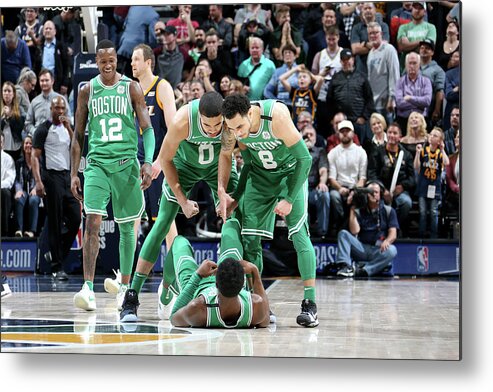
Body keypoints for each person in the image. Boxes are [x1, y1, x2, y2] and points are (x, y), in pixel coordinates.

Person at [120, 91, 238, 321]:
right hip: (183, 167)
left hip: (217, 166)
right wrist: (183, 200)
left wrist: (222, 193)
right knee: (162, 223)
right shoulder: (183, 119)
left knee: (234, 217)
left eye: (217, 125)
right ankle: (131, 296)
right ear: (199, 118)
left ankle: (240, 291)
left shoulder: (229, 121)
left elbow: (226, 154)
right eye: (207, 125)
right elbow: (164, 160)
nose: (213, 130)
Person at [218, 93, 319, 328]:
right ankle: (258, 302)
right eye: (233, 129)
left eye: (241, 126)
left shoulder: (276, 116)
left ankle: (310, 304)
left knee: (298, 233)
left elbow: (305, 159)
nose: (238, 133)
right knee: (251, 239)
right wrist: (234, 196)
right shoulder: (230, 127)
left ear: (250, 113)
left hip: (289, 174)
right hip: (260, 177)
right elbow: (245, 163)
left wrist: (290, 198)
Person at [70, 40, 155, 310]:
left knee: (127, 227)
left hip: (126, 164)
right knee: (92, 222)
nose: (107, 65)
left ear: (116, 60)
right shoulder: (87, 91)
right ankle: (88, 288)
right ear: (96, 61)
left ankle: (126, 286)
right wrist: (74, 172)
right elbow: (77, 136)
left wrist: (148, 161)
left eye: (111, 61)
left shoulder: (131, 87)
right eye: (102, 61)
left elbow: (147, 128)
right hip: (96, 165)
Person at [120, 217, 270, 328]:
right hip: (229, 282)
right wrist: (255, 271)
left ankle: (166, 293)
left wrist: (198, 275)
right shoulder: (255, 307)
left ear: (216, 282)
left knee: (179, 241)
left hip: (194, 286)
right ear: (243, 284)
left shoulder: (199, 307)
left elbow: (174, 318)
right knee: (231, 223)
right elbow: (265, 321)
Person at [32, 96, 81, 280]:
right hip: (51, 176)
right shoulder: (43, 129)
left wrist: (69, 126)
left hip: (67, 176)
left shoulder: (67, 128)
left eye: (62, 108)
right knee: (55, 220)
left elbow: (76, 145)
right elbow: (35, 157)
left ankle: (54, 253)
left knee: (76, 218)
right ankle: (56, 267)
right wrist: (38, 181)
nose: (60, 112)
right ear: (50, 109)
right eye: (57, 108)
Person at [131, 44, 177, 227]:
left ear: (148, 62)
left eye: (136, 59)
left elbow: (174, 130)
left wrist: (159, 161)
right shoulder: (131, 90)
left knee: (164, 222)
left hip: (158, 163)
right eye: (132, 59)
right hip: (136, 164)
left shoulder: (162, 87)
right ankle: (131, 258)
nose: (132, 63)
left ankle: (174, 257)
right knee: (132, 220)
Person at [335, 180, 399, 277]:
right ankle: (345, 266)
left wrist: (387, 241)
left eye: (376, 192)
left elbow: (393, 234)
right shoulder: (360, 210)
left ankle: (364, 270)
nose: (373, 194)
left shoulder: (388, 211)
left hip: (378, 249)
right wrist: (353, 208)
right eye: (370, 192)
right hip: (362, 248)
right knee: (343, 234)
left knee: (392, 250)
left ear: (380, 194)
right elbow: (355, 231)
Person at [367, 122, 415, 237]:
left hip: (400, 191)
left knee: (406, 203)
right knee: (376, 203)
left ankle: (397, 228)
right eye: (389, 132)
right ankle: (381, 232)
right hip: (381, 190)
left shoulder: (406, 154)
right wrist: (383, 190)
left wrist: (402, 186)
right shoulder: (377, 152)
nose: (392, 135)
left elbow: (412, 179)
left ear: (400, 137)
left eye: (395, 133)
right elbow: (372, 174)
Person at [326, 48, 375, 144]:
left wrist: (364, 117)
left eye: (348, 59)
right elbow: (329, 100)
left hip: (358, 121)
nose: (346, 62)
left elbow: (369, 99)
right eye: (343, 60)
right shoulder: (335, 78)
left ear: (353, 60)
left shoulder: (362, 77)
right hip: (341, 122)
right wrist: (333, 118)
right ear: (340, 61)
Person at [328, 119, 368, 235]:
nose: (345, 133)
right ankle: (341, 226)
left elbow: (363, 177)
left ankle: (357, 228)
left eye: (347, 130)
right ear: (338, 134)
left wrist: (354, 190)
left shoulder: (361, 152)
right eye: (342, 131)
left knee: (360, 196)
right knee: (334, 196)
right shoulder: (333, 153)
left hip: (356, 187)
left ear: (353, 133)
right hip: (339, 187)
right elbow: (332, 178)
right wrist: (340, 188)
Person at [414, 127, 449, 238]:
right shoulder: (424, 150)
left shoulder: (439, 153)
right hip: (423, 186)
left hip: (435, 187)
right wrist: (417, 153)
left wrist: (443, 149)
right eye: (431, 134)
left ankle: (434, 236)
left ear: (439, 141)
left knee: (434, 212)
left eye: (435, 135)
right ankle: (421, 235)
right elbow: (416, 167)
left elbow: (446, 163)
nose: (432, 136)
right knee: (423, 212)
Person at [367, 21, 400, 127]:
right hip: (374, 101)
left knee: (389, 132)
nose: (373, 36)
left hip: (386, 101)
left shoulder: (389, 49)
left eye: (375, 33)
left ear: (381, 34)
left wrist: (392, 97)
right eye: (370, 33)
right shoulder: (370, 53)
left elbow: (394, 74)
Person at [24, 69, 71, 137]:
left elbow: (68, 120)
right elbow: (28, 123)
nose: (44, 83)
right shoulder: (34, 102)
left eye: (46, 80)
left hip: (57, 138)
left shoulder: (61, 99)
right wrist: (35, 132)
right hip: (38, 141)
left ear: (52, 81)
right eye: (42, 81)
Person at [303, 124, 330, 238]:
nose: (309, 137)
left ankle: (322, 233)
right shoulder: (293, 152)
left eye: (311, 134)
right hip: (299, 189)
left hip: (314, 188)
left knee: (324, 194)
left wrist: (322, 182)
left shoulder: (320, 151)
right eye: (305, 135)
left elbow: (323, 170)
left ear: (315, 137)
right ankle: (304, 233)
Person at [395, 52, 432, 133]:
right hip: (404, 120)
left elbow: (427, 101)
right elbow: (399, 103)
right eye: (410, 63)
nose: (412, 66)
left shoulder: (426, 81)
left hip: (422, 120)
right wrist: (419, 104)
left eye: (414, 63)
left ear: (419, 65)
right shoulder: (400, 82)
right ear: (406, 65)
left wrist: (410, 98)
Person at [350, 2, 390, 75]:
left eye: (370, 8)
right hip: (362, 70)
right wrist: (373, 45)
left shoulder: (383, 26)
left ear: (375, 10)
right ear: (362, 11)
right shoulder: (356, 28)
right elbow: (355, 50)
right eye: (365, 8)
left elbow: (383, 46)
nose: (368, 10)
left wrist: (364, 44)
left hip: (380, 69)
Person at [33, 20, 71, 96]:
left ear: (55, 31)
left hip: (58, 84)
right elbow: (36, 67)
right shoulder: (39, 48)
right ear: (43, 32)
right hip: (42, 84)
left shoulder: (61, 47)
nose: (48, 30)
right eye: (46, 29)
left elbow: (66, 66)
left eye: (50, 28)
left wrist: (65, 83)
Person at [14, 135, 40, 237]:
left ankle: (32, 232)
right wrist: (18, 190)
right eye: (26, 143)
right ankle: (19, 230)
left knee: (33, 200)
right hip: (24, 190)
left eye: (30, 143)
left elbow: (41, 178)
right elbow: (16, 179)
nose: (28, 145)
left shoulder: (38, 161)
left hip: (35, 190)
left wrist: (35, 188)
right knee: (19, 199)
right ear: (23, 146)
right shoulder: (19, 163)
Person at [419, 39, 445, 128]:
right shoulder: (412, 65)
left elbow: (439, 91)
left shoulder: (438, 70)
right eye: (422, 48)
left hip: (428, 110)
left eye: (427, 48)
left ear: (432, 52)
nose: (424, 50)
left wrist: (437, 110)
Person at [263, 44, 299, 108]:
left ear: (295, 56)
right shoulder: (278, 72)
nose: (287, 55)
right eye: (285, 53)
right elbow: (267, 91)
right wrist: (276, 102)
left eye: (290, 53)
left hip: (297, 105)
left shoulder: (300, 71)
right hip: (281, 107)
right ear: (282, 57)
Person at [1, 81, 25, 162]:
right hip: (2, 146)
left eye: (9, 91)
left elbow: (20, 128)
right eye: (5, 91)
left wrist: (10, 116)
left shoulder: (20, 109)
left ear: (13, 94)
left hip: (15, 147)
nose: (6, 93)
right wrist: (3, 119)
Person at [156, 25, 185, 90]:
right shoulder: (157, 52)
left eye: (168, 34)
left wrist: (186, 82)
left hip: (177, 90)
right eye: (164, 34)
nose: (165, 37)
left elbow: (192, 66)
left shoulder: (182, 53)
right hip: (161, 89)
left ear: (175, 36)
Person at [1, 131, 16, 236]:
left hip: (2, 189)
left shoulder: (8, 159)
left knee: (5, 194)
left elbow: (10, 180)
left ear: (3, 143)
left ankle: (4, 232)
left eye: (0, 142)